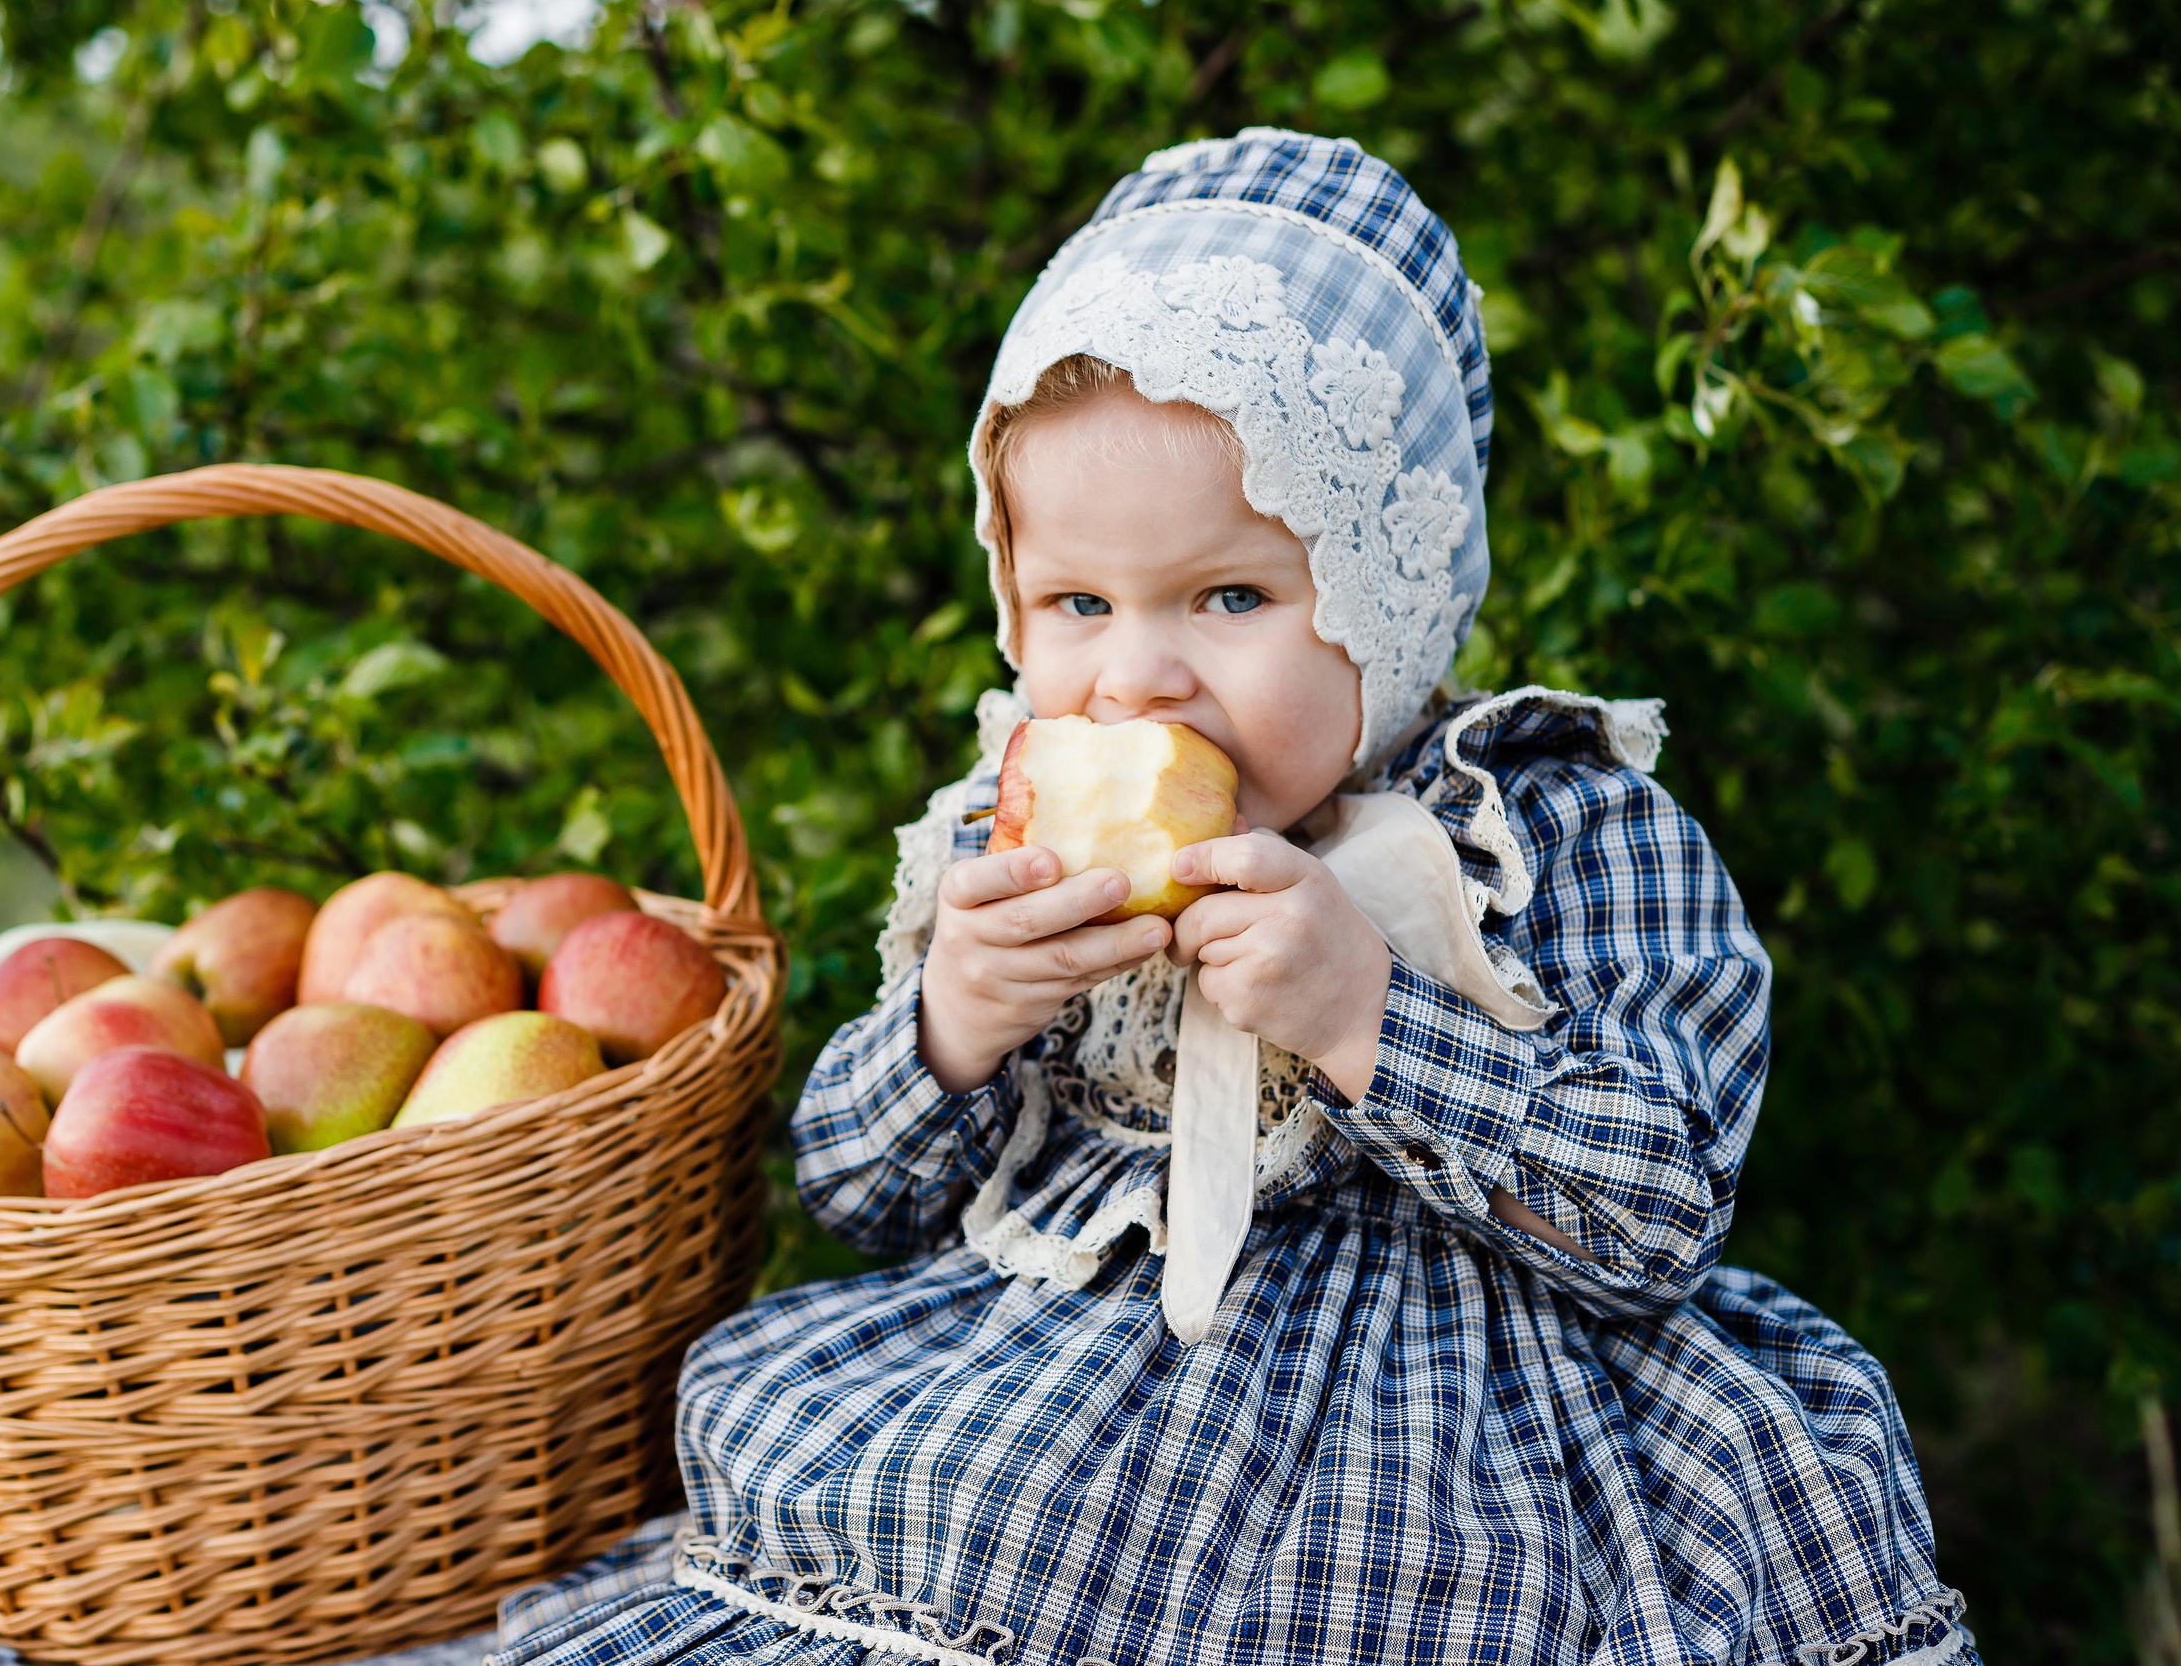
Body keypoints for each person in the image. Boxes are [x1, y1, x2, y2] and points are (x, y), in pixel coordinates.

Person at [487, 129, 1970, 1666]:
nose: (1137, 672)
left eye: (1232, 597)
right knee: (959, 1504)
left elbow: (1659, 1218)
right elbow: (856, 1196)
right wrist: (958, 1020)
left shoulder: (1557, 831)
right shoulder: (1006, 838)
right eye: (1078, 604)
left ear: (1389, 598)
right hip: (1075, 1414)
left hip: (1456, 1450)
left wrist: (1372, 1019)